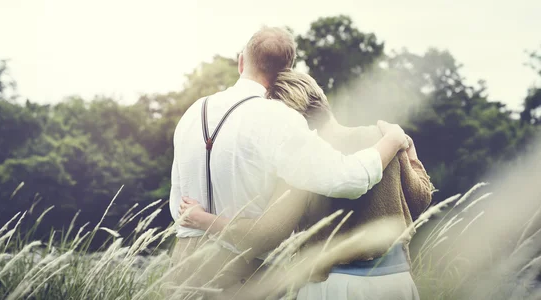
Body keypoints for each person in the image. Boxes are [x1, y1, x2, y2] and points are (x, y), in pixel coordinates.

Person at [166, 26, 410, 299]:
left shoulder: (192, 112)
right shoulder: (278, 118)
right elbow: (347, 180)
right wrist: (393, 139)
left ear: (241, 61)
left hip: (182, 266)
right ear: (287, 70)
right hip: (240, 273)